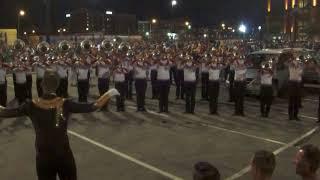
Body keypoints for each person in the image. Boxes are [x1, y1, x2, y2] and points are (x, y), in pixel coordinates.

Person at [0, 69, 119, 180]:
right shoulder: (65, 103)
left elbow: (5, 112)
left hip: (43, 156)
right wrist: (109, 93)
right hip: (64, 154)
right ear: (57, 86)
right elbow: (93, 106)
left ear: (41, 84)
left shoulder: (31, 105)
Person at [287, 57, 304, 121]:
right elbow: (289, 62)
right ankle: (290, 116)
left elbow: (301, 73)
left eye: (297, 61)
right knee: (291, 100)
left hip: (298, 84)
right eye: (295, 61)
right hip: (292, 83)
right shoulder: (291, 66)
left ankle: (295, 116)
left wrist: (299, 64)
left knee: (297, 101)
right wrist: (293, 61)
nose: (297, 62)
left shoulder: (300, 67)